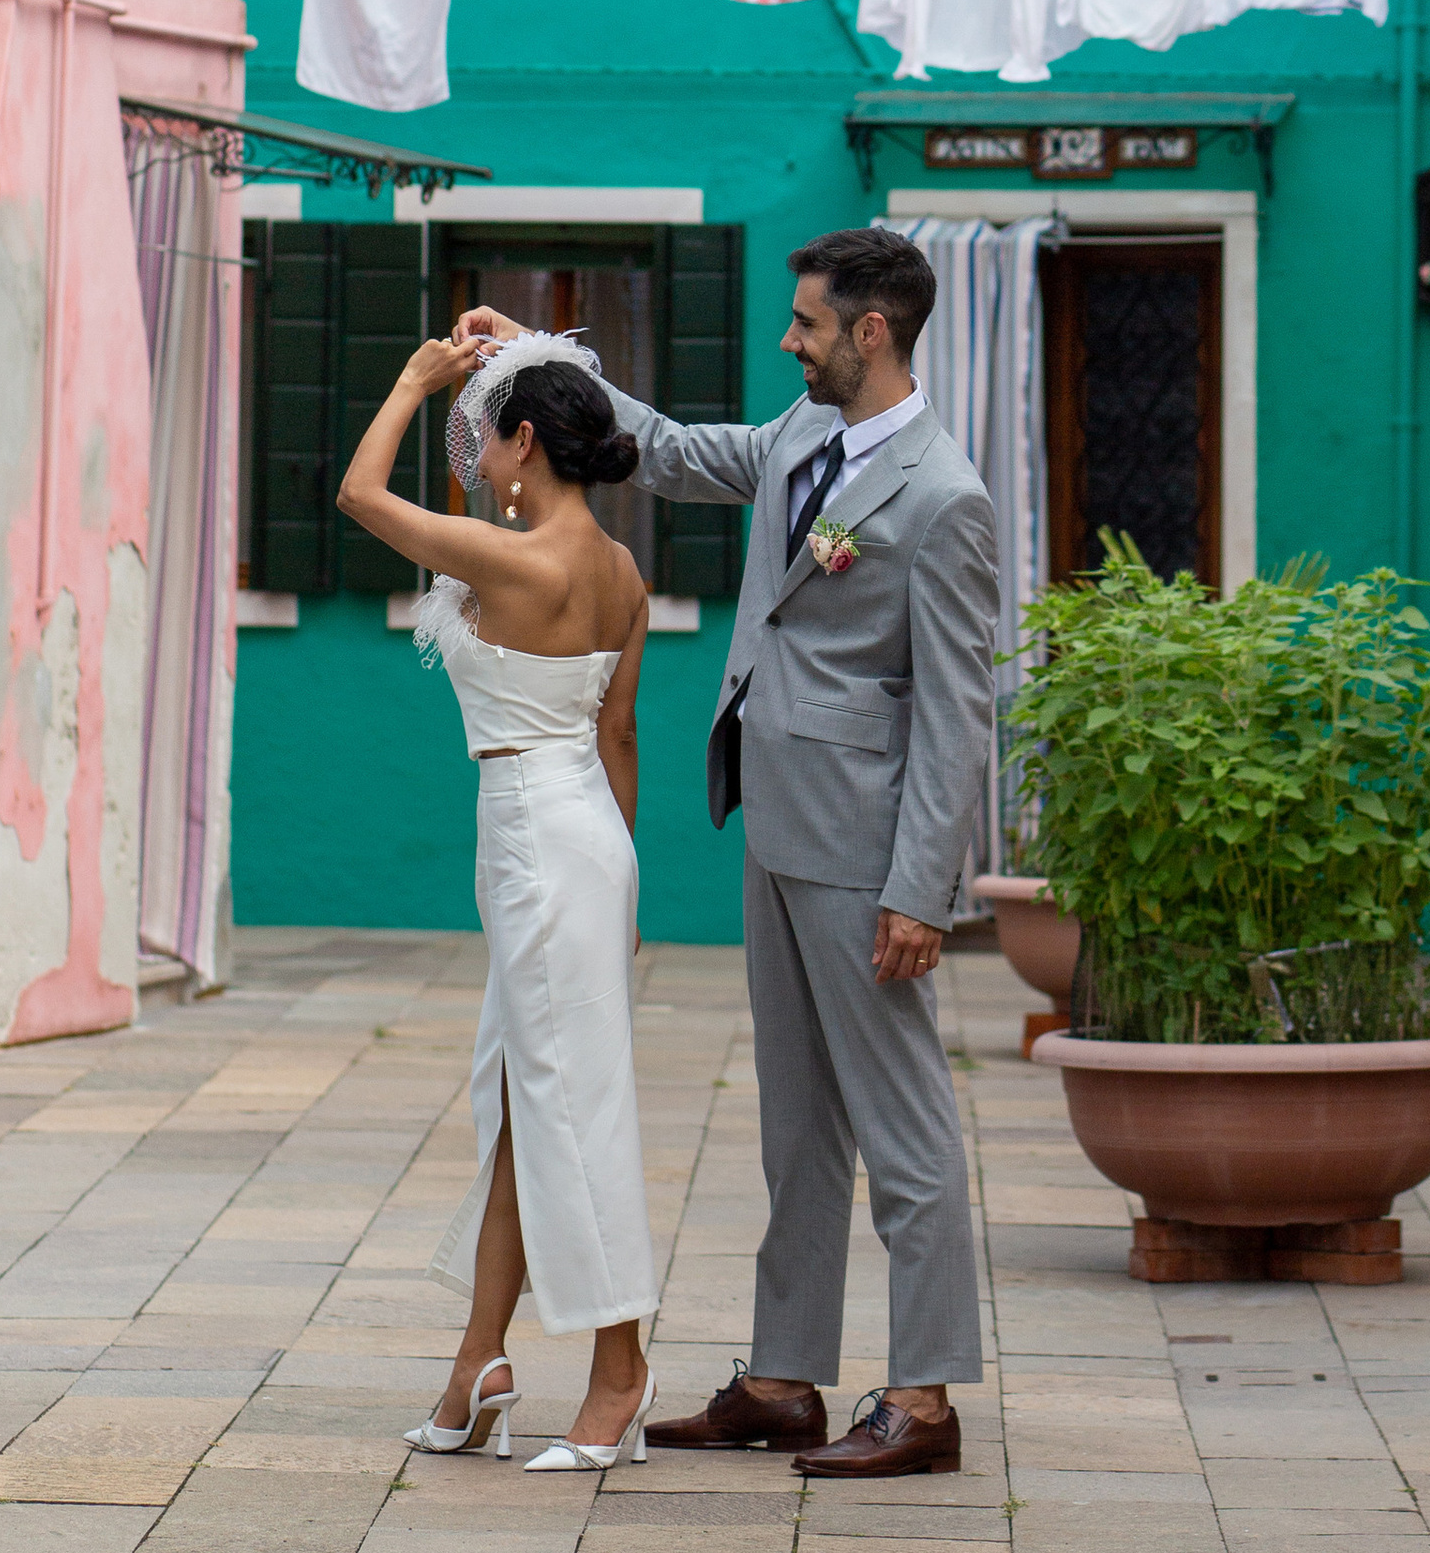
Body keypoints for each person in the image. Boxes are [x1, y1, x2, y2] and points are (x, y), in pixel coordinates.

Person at [457, 227, 998, 1479]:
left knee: (903, 1126)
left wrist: (924, 889)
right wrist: (532, 354)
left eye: (807, 323)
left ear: (871, 332)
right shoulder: (804, 436)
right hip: (773, 820)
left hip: (868, 852)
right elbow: (676, 450)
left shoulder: (943, 496)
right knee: (795, 1122)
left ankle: (921, 1401)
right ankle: (783, 1379)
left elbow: (960, 710)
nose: (787, 340)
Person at [339, 328, 659, 1472]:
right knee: (522, 1104)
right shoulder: (621, 571)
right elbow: (618, 737)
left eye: (486, 433)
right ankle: (479, 1360)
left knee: (569, 1109)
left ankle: (620, 1373)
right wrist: (621, 898)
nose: (475, 454)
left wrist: (415, 377)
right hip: (579, 837)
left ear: (528, 442)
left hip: (536, 835)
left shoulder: (512, 560)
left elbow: (356, 492)